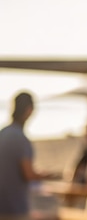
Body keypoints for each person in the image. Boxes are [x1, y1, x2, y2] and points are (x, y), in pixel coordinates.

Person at [0, 91, 51, 219]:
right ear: (29, 110)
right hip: (15, 207)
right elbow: (28, 174)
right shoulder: (21, 138)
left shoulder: (3, 133)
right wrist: (43, 175)